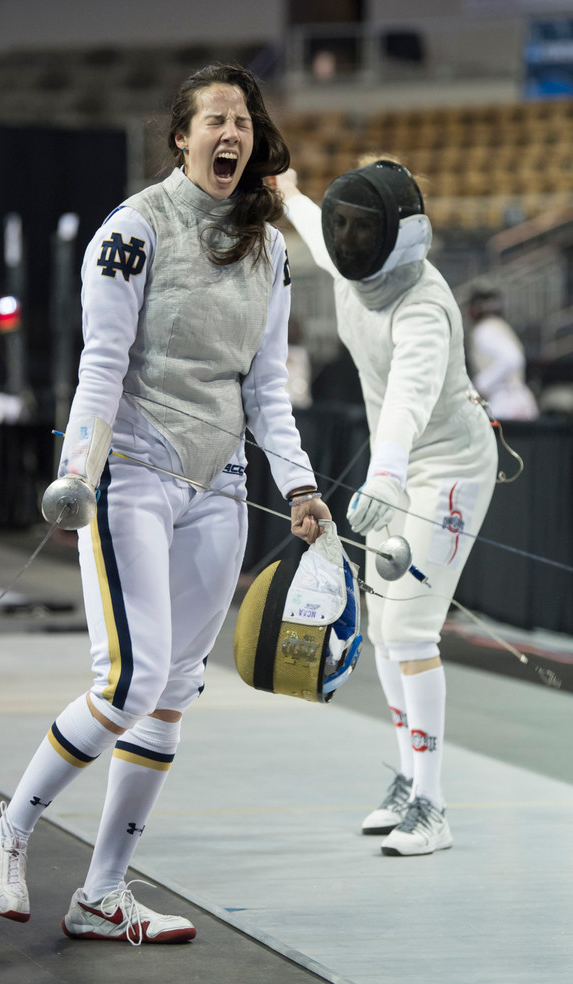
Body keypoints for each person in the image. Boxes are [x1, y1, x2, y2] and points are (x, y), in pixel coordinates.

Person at [0, 63, 331, 941]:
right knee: (126, 679)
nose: (231, 134)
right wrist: (79, 474)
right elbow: (100, 365)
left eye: (242, 120)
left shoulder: (270, 247)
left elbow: (266, 391)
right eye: (214, 119)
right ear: (182, 135)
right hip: (132, 471)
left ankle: (101, 893)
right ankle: (4, 835)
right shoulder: (132, 231)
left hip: (221, 487)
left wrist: (302, 485)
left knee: (169, 693)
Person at [272, 160, 497, 856]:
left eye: (359, 228)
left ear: (397, 236)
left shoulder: (423, 306)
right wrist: (287, 193)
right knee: (380, 624)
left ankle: (431, 806)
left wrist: (389, 473)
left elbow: (407, 399)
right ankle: (408, 780)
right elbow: (316, 228)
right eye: (344, 223)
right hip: (396, 474)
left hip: (446, 470)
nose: (345, 236)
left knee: (408, 632)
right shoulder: (351, 267)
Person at [465, 279, 539, 420]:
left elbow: (512, 359)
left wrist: (480, 385)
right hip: (517, 398)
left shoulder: (484, 330)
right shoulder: (500, 327)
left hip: (505, 401)